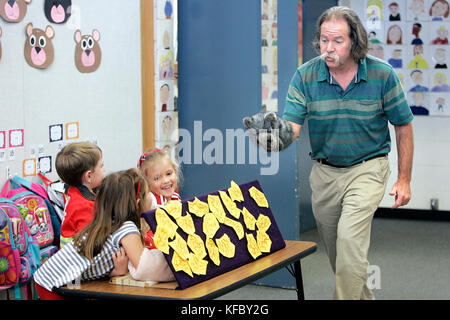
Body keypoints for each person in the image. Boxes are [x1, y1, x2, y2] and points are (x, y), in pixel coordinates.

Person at [281, 6, 414, 299]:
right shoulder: (306, 76)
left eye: (337, 41)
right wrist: (272, 138)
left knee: (350, 243)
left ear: (354, 40)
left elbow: (403, 125)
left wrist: (404, 179)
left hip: (368, 168)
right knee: (342, 259)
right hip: (326, 173)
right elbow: (291, 127)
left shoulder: (382, 74)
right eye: (324, 40)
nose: (329, 48)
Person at [33, 169, 175, 300]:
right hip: (52, 285)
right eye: (148, 193)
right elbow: (146, 267)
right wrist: (176, 268)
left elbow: (95, 264)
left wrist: (115, 272)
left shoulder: (110, 223)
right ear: (138, 203)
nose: (152, 197)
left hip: (51, 280)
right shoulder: (126, 228)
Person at [55, 142, 106, 248]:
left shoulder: (73, 192)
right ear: (89, 176)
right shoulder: (84, 206)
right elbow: (92, 244)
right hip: (77, 261)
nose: (104, 169)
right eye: (101, 166)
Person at [137, 148, 181, 249]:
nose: (165, 180)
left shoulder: (175, 197)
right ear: (146, 182)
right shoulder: (150, 199)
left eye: (169, 174)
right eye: (157, 178)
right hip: (155, 251)